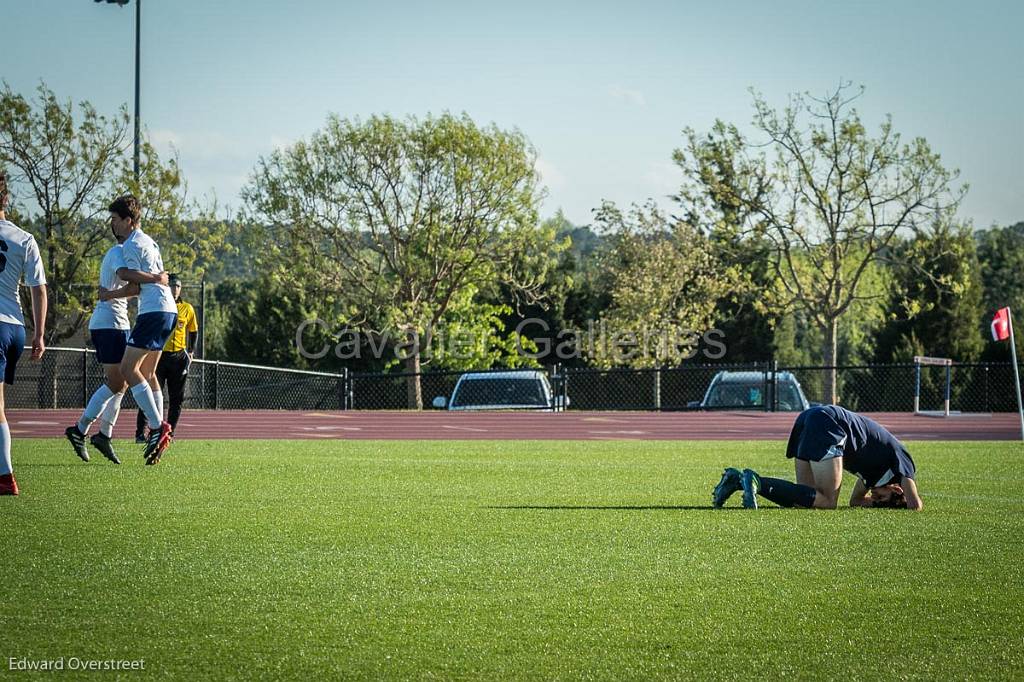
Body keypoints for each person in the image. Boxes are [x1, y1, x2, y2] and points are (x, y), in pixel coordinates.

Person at [712, 404, 923, 511]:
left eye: (875, 499)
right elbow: (915, 505)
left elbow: (855, 501)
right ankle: (755, 481)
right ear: (896, 488)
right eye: (880, 497)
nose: (874, 496)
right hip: (828, 423)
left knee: (807, 500)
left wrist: (882, 505)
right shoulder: (901, 463)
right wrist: (893, 504)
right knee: (828, 501)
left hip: (811, 417)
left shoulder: (874, 477)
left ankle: (739, 480)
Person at [105, 195, 177, 465]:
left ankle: (158, 427)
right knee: (147, 372)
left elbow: (128, 275)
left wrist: (154, 278)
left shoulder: (132, 243)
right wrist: (157, 278)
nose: (112, 225)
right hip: (166, 309)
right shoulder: (149, 240)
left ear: (129, 220)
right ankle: (156, 433)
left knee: (127, 369)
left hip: (154, 311)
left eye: (115, 220)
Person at [64, 220, 140, 465]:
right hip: (108, 323)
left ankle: (104, 434)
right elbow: (127, 281)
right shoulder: (118, 252)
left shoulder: (124, 251)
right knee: (118, 380)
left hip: (118, 323)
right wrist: (151, 279)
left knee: (124, 382)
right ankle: (81, 428)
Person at [0, 170, 47, 496]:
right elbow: (39, 289)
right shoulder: (23, 238)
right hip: (14, 327)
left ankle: (6, 477)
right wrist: (39, 334)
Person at [134, 274, 197, 441]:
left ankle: (169, 433)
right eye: (172, 285)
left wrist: (190, 351)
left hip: (178, 358)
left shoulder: (187, 308)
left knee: (177, 398)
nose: (175, 289)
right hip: (159, 356)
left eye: (178, 286)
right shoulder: (161, 306)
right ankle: (141, 432)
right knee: (151, 393)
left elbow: (193, 330)